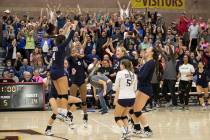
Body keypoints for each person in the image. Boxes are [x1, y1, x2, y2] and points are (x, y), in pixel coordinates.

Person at [49, 19, 77, 127]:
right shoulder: (61, 47)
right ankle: (64, 113)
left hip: (52, 72)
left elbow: (61, 36)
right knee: (64, 94)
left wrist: (66, 26)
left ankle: (60, 112)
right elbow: (69, 37)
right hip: (60, 72)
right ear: (62, 41)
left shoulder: (55, 47)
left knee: (60, 94)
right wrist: (73, 27)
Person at [131, 47, 156, 138]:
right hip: (141, 88)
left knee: (137, 110)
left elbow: (142, 77)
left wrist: (136, 71)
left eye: (147, 50)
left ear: (152, 53)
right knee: (131, 109)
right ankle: (137, 128)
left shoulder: (151, 63)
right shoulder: (147, 63)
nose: (145, 51)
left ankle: (147, 130)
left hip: (145, 89)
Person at [113, 59, 137, 140]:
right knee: (124, 116)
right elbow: (135, 88)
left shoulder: (120, 73)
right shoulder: (134, 74)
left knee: (117, 117)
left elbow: (116, 87)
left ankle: (124, 132)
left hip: (123, 98)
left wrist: (112, 88)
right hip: (132, 98)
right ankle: (127, 131)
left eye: (120, 64)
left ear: (123, 65)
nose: (120, 66)